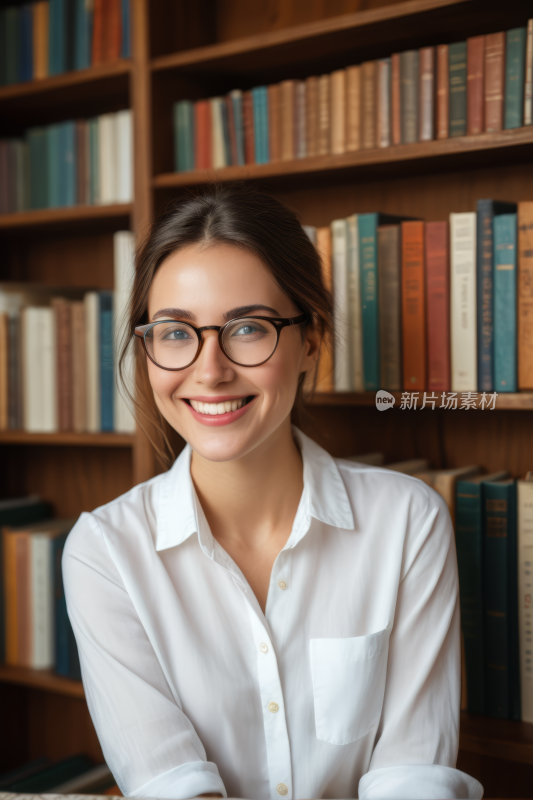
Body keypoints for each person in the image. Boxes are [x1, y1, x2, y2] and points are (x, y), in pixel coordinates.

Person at [63, 184, 482, 800]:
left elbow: (412, 776)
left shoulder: (407, 520)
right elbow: (170, 786)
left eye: (248, 329)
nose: (209, 371)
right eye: (176, 333)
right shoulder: (104, 553)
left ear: (309, 340)